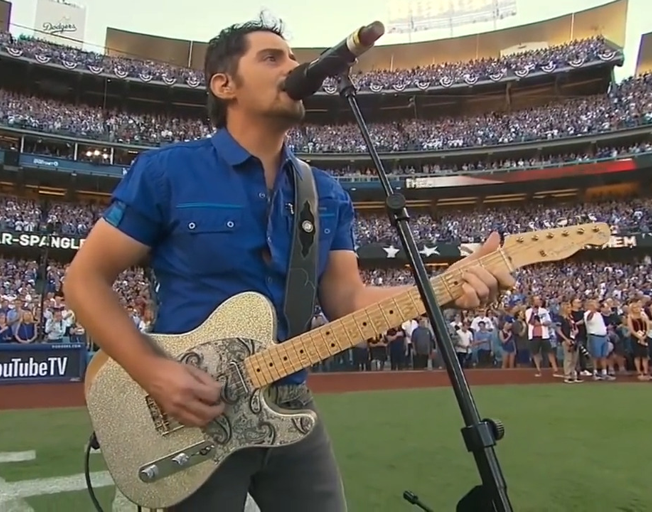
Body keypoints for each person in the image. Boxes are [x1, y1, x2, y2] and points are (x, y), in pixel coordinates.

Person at [63, 16, 515, 512]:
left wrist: (444, 288)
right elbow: (85, 279)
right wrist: (153, 373)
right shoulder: (168, 171)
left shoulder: (326, 194)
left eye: (294, 58)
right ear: (224, 84)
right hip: (194, 411)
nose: (294, 67)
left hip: (290, 405)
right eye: (271, 57)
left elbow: (349, 301)